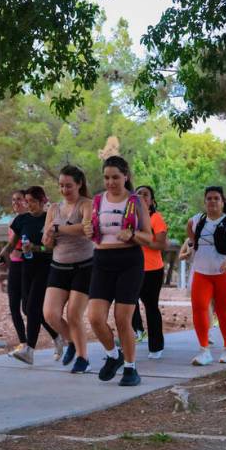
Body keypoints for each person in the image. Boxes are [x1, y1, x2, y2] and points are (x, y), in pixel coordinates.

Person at [85, 146, 151, 386]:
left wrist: (132, 234)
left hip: (129, 261)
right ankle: (113, 355)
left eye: (115, 177)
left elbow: (149, 237)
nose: (110, 182)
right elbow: (90, 229)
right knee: (94, 318)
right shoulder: (97, 201)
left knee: (123, 319)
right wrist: (87, 229)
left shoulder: (136, 202)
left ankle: (131, 368)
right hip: (102, 261)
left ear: (126, 177)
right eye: (106, 177)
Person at [1, 186, 64, 365]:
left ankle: (29, 349)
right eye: (27, 201)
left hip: (46, 267)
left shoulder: (49, 219)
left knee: (34, 306)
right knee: (28, 308)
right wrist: (1, 255)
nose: (29, 205)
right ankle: (58, 337)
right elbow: (12, 243)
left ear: (42, 201)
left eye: (32, 202)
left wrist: (36, 248)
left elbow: (52, 247)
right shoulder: (22, 220)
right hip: (27, 268)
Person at [42, 166, 93, 373]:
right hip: (59, 266)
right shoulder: (54, 209)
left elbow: (86, 228)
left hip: (84, 266)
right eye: (61, 185)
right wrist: (49, 237)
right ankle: (72, 341)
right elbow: (47, 241)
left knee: (73, 314)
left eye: (69, 185)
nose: (64, 189)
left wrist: (57, 229)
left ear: (79, 184)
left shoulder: (86, 204)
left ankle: (83, 358)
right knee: (50, 314)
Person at [187, 187, 226, 365]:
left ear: (222, 201)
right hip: (201, 272)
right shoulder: (197, 220)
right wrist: (193, 242)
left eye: (216, 198)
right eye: (209, 198)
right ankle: (204, 351)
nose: (212, 202)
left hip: (225, 272)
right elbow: (189, 228)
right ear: (205, 201)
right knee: (199, 307)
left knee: (223, 310)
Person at [130, 185, 168, 359]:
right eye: (138, 194)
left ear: (152, 200)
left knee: (151, 307)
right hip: (131, 267)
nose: (141, 197)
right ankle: (136, 332)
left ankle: (156, 346)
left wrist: (139, 238)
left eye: (145, 194)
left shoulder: (156, 218)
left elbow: (161, 244)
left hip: (152, 270)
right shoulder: (129, 218)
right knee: (127, 304)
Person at [0, 190, 31, 356]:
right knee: (13, 306)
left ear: (26, 201)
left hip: (28, 266)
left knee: (28, 308)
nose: (15, 202)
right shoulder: (12, 222)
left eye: (19, 199)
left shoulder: (32, 221)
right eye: (13, 200)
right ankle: (23, 343)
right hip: (15, 267)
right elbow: (10, 247)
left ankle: (56, 335)